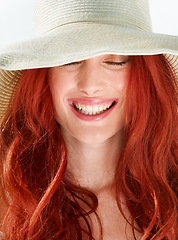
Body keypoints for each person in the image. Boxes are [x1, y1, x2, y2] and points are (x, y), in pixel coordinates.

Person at [0, 0, 177, 239]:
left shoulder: (172, 192)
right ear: (43, 75)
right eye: (70, 60)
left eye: (115, 61)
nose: (90, 85)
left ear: (147, 74)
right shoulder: (7, 199)